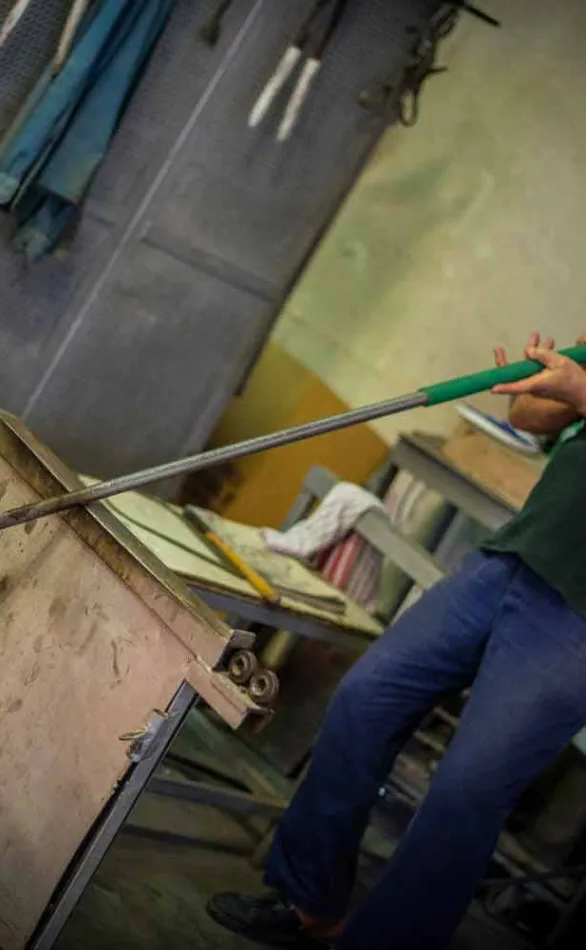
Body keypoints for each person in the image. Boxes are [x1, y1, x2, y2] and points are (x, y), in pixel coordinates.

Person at [207, 334, 586, 949]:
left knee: (468, 790)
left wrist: (581, 391)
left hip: (577, 618)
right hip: (512, 559)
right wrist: (548, 389)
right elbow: (531, 415)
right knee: (367, 698)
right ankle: (309, 900)